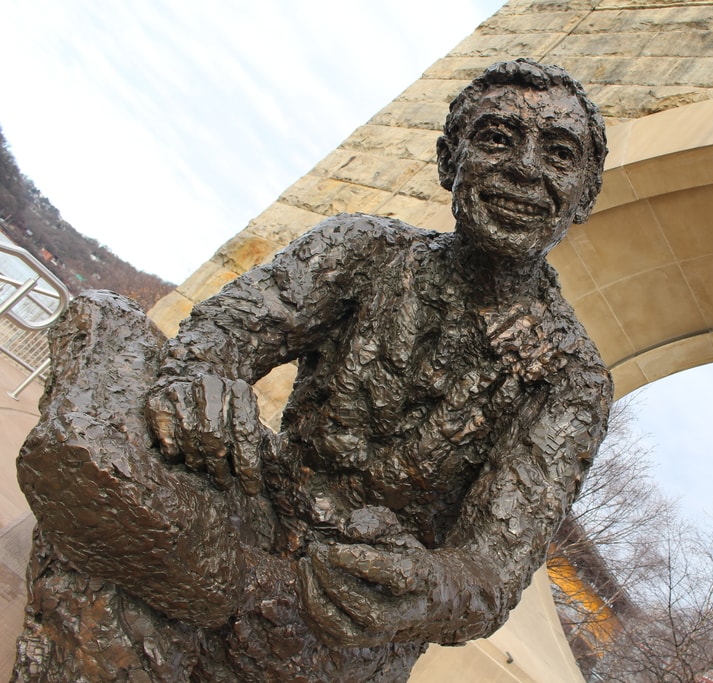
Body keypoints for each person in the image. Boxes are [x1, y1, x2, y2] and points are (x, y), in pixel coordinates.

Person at [14, 59, 612, 682]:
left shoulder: (572, 381)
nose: (525, 169)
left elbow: (490, 573)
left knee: (121, 554)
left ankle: (202, 573)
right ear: (448, 161)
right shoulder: (362, 248)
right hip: (255, 508)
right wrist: (204, 377)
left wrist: (430, 587)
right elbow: (227, 331)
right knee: (105, 321)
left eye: (558, 154)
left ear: (584, 197)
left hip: (335, 603)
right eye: (496, 139)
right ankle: (193, 561)